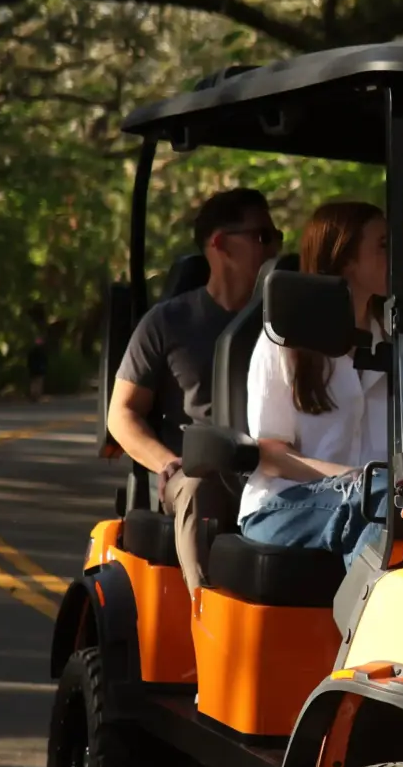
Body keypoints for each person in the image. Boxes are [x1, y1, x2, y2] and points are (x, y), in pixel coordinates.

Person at [108, 187, 281, 586]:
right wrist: (167, 463)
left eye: (277, 237)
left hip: (277, 466)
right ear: (221, 244)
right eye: (262, 236)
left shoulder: (286, 324)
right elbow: (122, 413)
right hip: (197, 473)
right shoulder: (167, 323)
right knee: (199, 488)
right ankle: (204, 609)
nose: (274, 248)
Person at [239, 201, 392, 562]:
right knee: (382, 503)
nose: (396, 257)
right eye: (383, 245)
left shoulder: (398, 340)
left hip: (376, 500)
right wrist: (356, 480)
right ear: (345, 258)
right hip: (282, 505)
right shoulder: (283, 339)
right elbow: (272, 456)